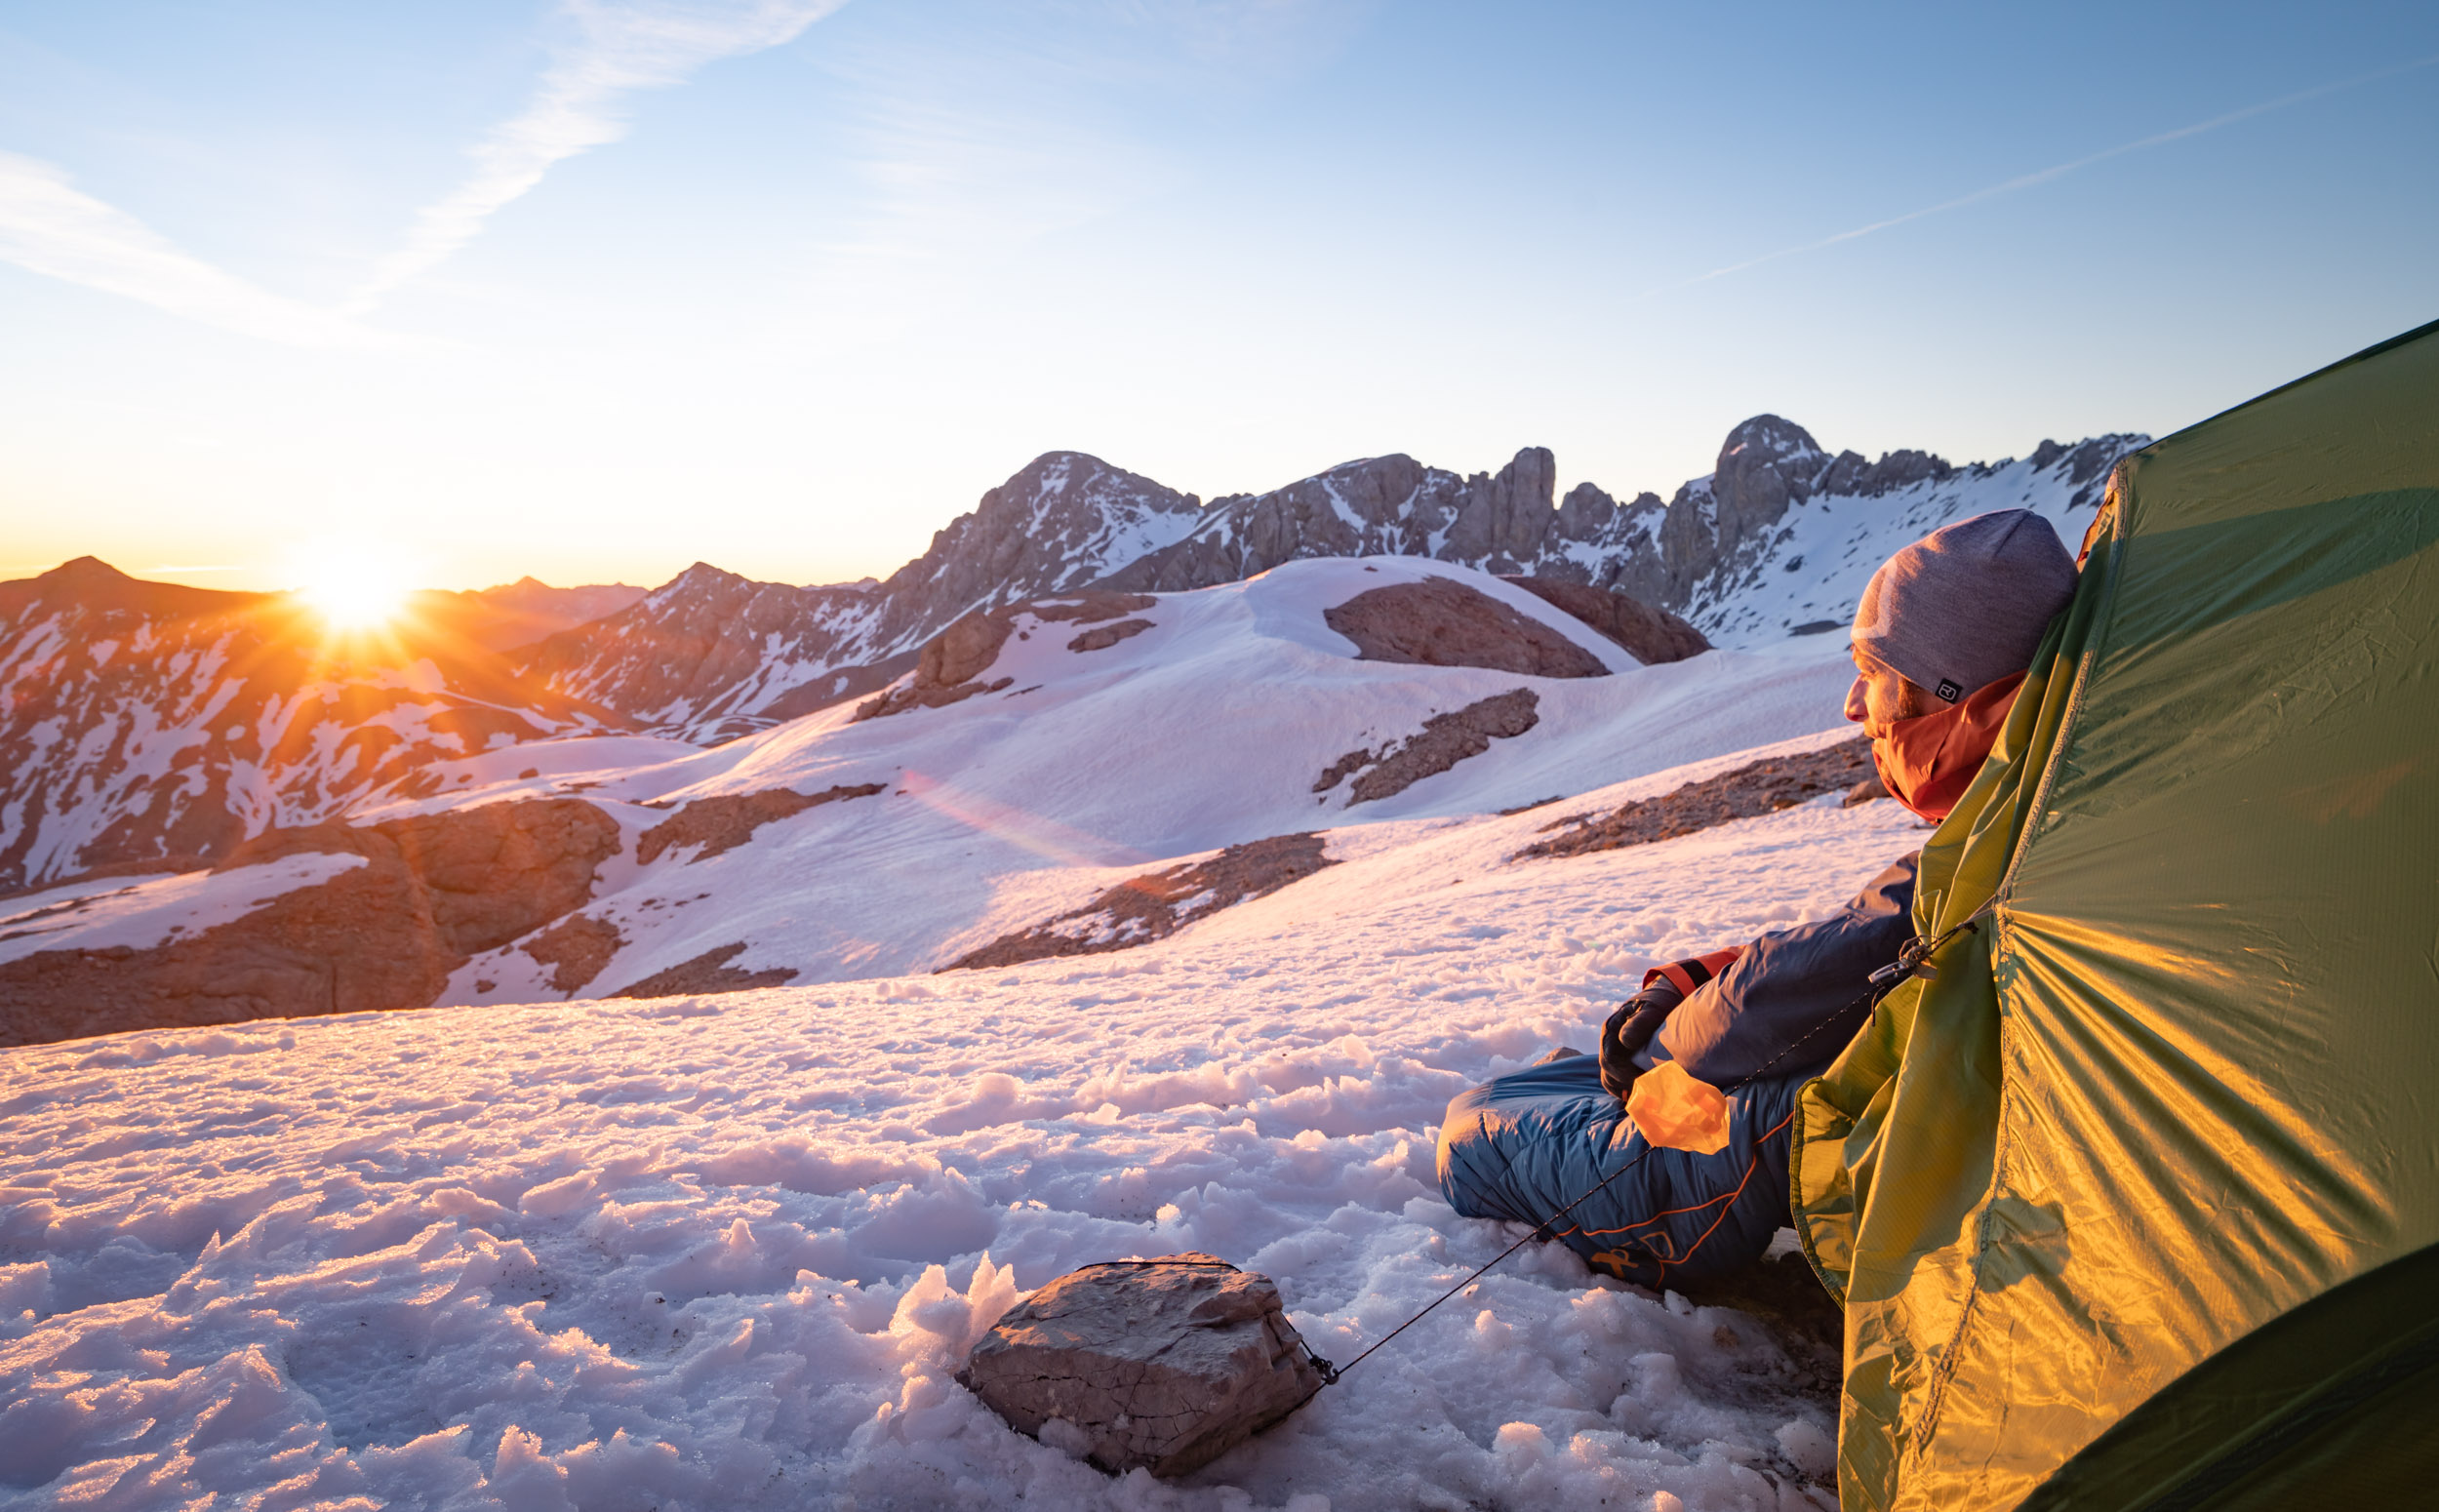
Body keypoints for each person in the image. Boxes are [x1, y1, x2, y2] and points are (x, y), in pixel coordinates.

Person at [1434, 509, 2080, 1288]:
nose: (1853, 707)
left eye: (1877, 675)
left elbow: (1784, 1000)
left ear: (1962, 701)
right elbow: (1835, 958)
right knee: (1544, 1080)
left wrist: (1662, 1041)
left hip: (1768, 1130)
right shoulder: (2045, 804)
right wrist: (1693, 979)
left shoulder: (1986, 857)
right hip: (1831, 1095)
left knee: (1474, 1127)